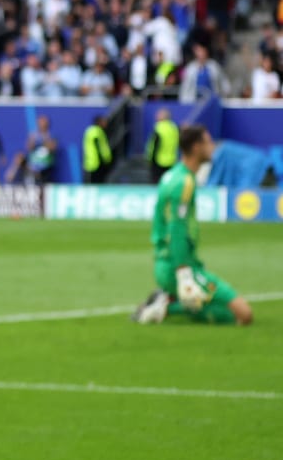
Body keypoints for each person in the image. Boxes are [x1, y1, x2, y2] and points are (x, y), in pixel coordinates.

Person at [134, 126, 254, 327]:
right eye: (208, 142)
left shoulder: (172, 175)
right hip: (178, 266)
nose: (212, 147)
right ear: (197, 147)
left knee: (216, 307)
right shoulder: (184, 182)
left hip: (165, 262)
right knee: (243, 315)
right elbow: (177, 228)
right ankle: (166, 306)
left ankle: (168, 302)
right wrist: (184, 273)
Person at [8, 115, 59, 185]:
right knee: (19, 156)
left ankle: (35, 176)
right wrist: (33, 139)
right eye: (39, 123)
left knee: (36, 169)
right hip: (32, 163)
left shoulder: (51, 137)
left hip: (44, 165)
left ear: (47, 124)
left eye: (43, 123)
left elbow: (52, 148)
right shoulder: (34, 136)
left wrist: (44, 137)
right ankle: (10, 177)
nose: (41, 125)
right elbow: (29, 148)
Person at [146, 107, 180, 184]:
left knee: (157, 185)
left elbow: (154, 146)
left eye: (158, 115)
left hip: (158, 162)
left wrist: (150, 159)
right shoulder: (174, 128)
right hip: (172, 161)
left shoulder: (159, 128)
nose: (156, 116)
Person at [83, 116, 113, 184]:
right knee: (96, 183)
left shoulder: (91, 130)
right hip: (96, 163)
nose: (106, 123)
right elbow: (98, 147)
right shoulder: (96, 131)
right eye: (103, 121)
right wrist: (104, 159)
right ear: (99, 122)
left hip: (92, 163)